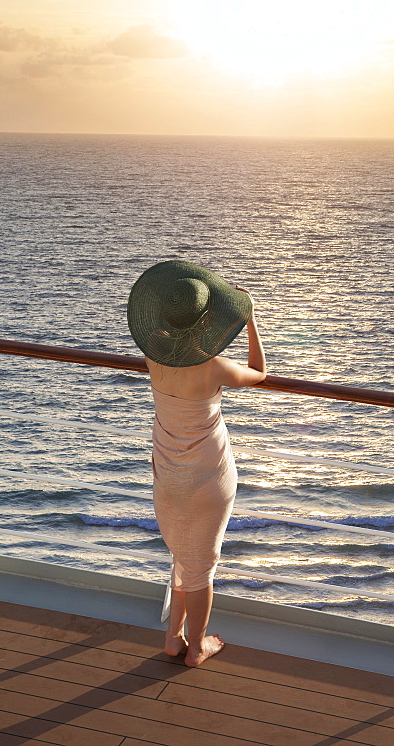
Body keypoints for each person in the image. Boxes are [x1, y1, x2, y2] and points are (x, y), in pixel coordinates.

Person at [127, 260, 266, 666]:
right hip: (209, 475)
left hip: (167, 472)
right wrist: (251, 318)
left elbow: (165, 343)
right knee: (202, 564)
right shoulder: (214, 366)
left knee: (183, 554)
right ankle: (196, 648)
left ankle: (173, 638)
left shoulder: (154, 354)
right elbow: (260, 372)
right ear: (207, 320)